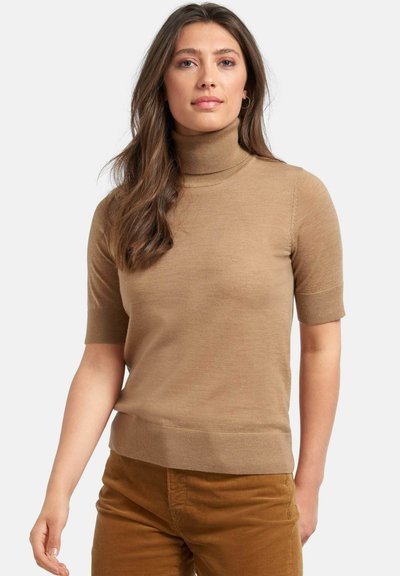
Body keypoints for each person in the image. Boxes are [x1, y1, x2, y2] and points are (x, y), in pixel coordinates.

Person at [29, 3, 345, 575]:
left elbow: (321, 347)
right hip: (134, 491)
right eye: (186, 62)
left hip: (251, 490)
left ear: (248, 85)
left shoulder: (299, 197)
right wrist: (58, 491)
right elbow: (101, 361)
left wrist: (309, 483)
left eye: (225, 62)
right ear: (162, 82)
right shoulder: (119, 212)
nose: (207, 78)